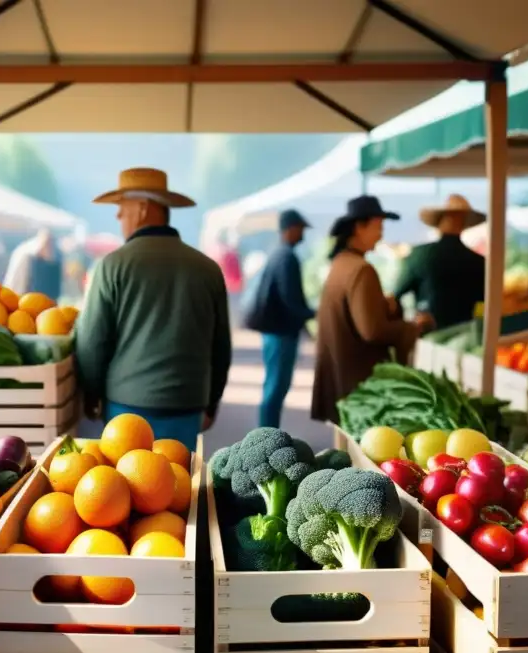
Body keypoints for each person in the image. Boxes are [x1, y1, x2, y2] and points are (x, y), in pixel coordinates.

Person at [75, 168, 232, 447]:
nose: (118, 216)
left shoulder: (112, 266)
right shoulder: (207, 269)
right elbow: (221, 346)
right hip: (188, 405)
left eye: (122, 208)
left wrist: (91, 396)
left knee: (128, 486)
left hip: (127, 408)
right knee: (179, 484)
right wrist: (212, 403)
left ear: (144, 208)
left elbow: (92, 341)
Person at [311, 196, 423, 424]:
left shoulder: (341, 263)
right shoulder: (362, 270)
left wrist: (382, 304)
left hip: (340, 377)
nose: (381, 234)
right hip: (357, 386)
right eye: (378, 227)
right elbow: (372, 331)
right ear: (359, 228)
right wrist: (413, 327)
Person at [244, 209, 314, 428]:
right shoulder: (287, 257)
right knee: (276, 386)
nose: (302, 233)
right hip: (281, 333)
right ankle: (267, 435)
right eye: (300, 228)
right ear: (291, 229)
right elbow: (290, 300)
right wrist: (313, 313)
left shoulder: (278, 254)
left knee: (273, 385)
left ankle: (267, 433)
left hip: (275, 332)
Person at [392, 194, 486, 331]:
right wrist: (478, 326)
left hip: (428, 334)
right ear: (464, 223)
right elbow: (483, 305)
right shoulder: (479, 262)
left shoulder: (420, 255)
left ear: (439, 222)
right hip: (466, 335)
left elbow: (396, 295)